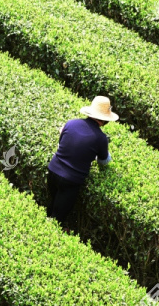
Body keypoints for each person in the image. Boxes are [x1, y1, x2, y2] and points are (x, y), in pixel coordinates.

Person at [46, 96, 118, 226]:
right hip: (70, 181)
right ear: (104, 120)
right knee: (57, 219)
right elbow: (104, 161)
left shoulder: (71, 123)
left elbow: (63, 142)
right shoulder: (101, 138)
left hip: (52, 170)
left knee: (51, 206)